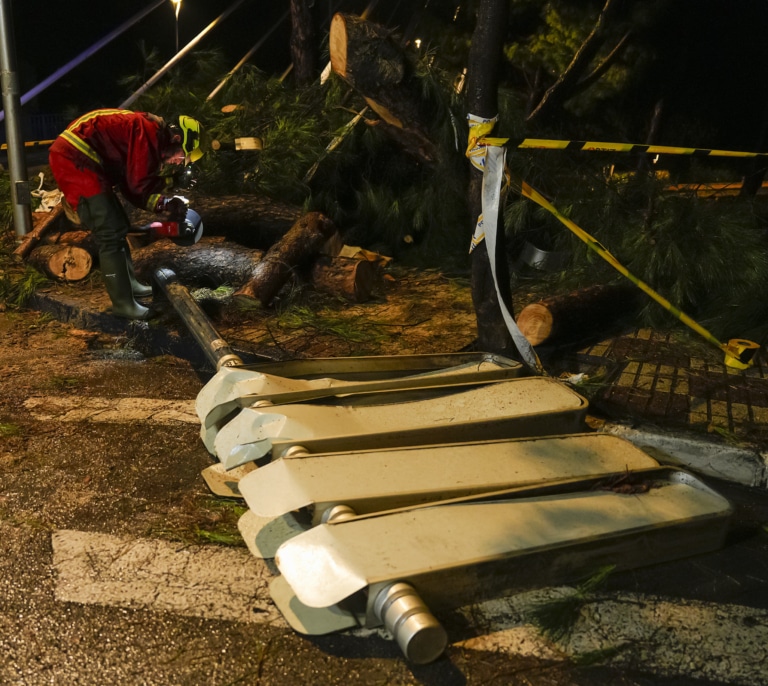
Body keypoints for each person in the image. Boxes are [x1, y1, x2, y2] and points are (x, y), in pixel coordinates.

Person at [48, 109, 207, 319]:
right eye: (182, 156)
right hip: (75, 159)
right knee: (110, 233)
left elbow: (130, 184)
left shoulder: (149, 133)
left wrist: (165, 201)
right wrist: (171, 185)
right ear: (177, 139)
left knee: (119, 225)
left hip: (87, 159)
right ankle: (123, 304)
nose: (180, 162)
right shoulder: (148, 134)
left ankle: (129, 284)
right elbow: (137, 188)